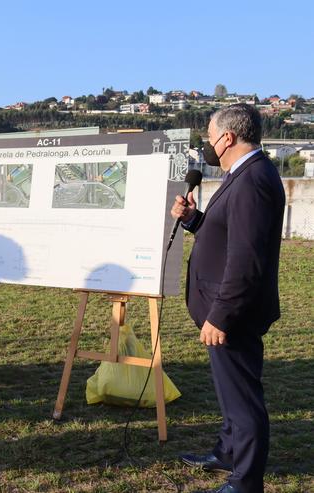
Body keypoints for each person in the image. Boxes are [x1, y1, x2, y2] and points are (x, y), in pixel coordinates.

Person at [170, 104, 285, 493]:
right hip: (223, 308)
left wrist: (220, 316)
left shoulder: (253, 180)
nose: (208, 143)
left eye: (210, 135)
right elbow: (227, 236)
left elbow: (246, 260)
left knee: (243, 400)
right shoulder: (244, 174)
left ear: (228, 138)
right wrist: (194, 220)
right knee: (229, 390)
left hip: (232, 313)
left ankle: (246, 481)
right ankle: (228, 452)